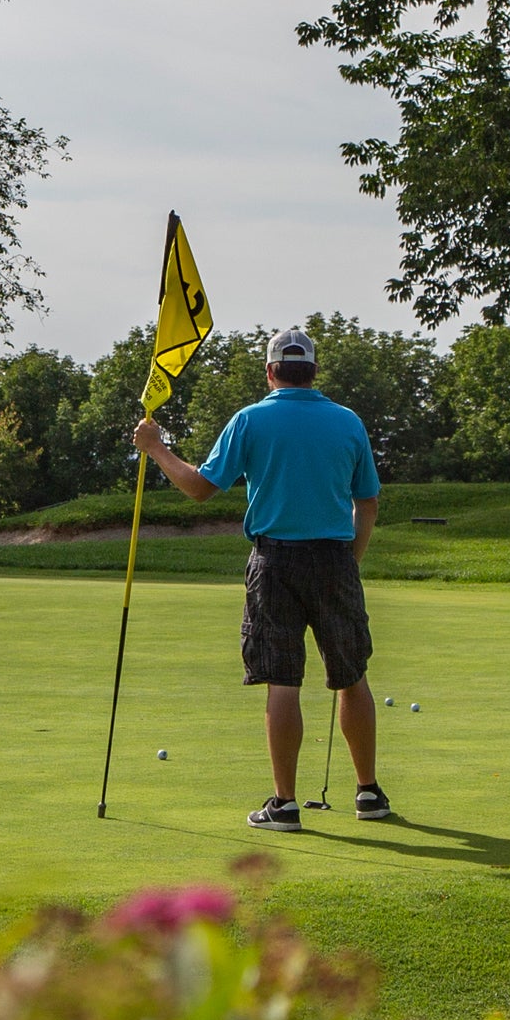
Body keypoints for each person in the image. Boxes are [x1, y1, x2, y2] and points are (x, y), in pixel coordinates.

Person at [132, 326, 386, 832]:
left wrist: (156, 449)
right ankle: (369, 794)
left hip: (274, 562)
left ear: (271, 371)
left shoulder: (251, 419)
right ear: (313, 371)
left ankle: (285, 804)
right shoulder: (347, 422)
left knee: (283, 678)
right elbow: (368, 502)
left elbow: (201, 489)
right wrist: (351, 559)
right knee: (352, 675)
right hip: (335, 558)